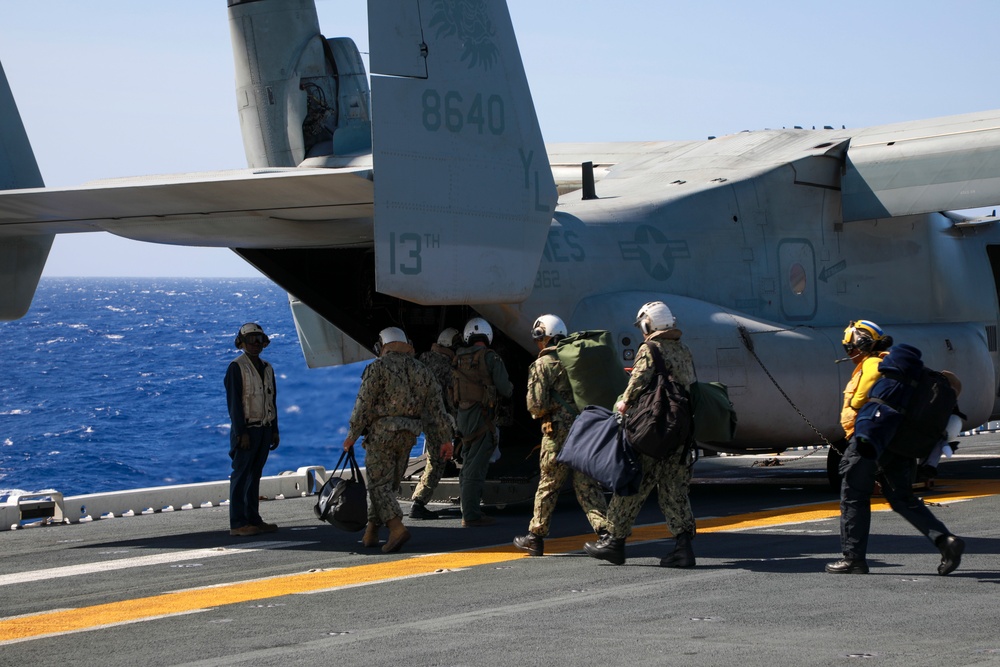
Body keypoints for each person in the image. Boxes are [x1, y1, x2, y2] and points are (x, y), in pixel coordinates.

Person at [827, 340, 966, 575]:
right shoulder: (918, 382)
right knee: (903, 499)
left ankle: (854, 559)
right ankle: (945, 540)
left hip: (872, 441)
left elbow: (862, 405)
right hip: (902, 447)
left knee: (853, 495)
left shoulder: (884, 375)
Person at [584, 301, 697, 567]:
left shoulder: (650, 349)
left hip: (654, 431)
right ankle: (683, 547)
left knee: (633, 483)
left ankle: (614, 542)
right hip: (679, 432)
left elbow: (636, 385)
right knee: (674, 490)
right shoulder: (683, 349)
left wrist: (622, 404)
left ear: (648, 324)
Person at [343, 327, 453, 554]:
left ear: (382, 344)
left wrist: (352, 435)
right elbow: (436, 409)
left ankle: (396, 528)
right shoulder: (422, 370)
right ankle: (371, 532)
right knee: (389, 484)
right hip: (408, 435)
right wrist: (445, 439)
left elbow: (363, 404)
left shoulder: (378, 368)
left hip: (382, 434)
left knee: (377, 484)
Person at [513, 315, 609, 556]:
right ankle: (607, 533)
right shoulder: (577, 359)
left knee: (548, 486)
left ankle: (535, 538)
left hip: (557, 434)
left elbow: (536, 405)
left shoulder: (542, 365)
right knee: (587, 485)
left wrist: (545, 413)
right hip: (583, 431)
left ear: (544, 337)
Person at [453, 317, 513, 527]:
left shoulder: (458, 358)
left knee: (468, 462)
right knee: (475, 468)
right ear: (487, 336)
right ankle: (470, 515)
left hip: (463, 417)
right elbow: (506, 389)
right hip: (482, 418)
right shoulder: (491, 358)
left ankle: (467, 508)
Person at [224, 322, 280, 537]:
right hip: (247, 431)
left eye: (259, 340)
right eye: (251, 340)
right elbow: (235, 404)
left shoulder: (267, 368)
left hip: (264, 429)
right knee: (240, 476)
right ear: (242, 343)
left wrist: (275, 429)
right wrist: (241, 433)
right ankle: (237, 523)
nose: (256, 344)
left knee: (254, 475)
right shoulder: (236, 367)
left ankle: (253, 519)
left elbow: (272, 400)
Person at [409, 327, 461, 519]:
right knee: (436, 460)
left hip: (416, 416)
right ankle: (419, 502)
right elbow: (450, 400)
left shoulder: (423, 359)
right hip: (435, 419)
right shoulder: (448, 368)